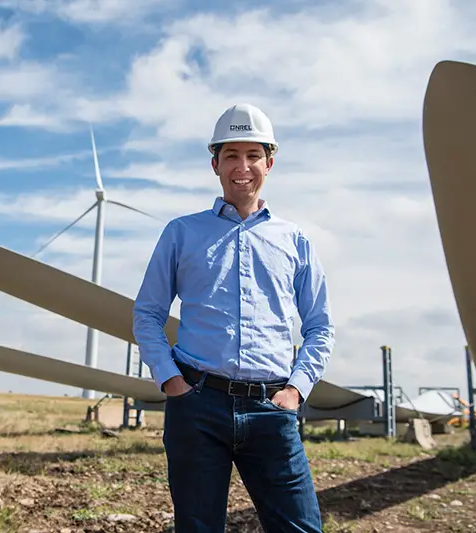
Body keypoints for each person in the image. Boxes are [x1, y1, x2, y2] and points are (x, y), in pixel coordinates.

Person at [132, 103, 335, 533]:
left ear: (269, 163)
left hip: (272, 408)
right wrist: (172, 381)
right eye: (231, 156)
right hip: (197, 406)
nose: (242, 166)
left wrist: (296, 391)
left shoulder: (295, 241)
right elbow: (148, 313)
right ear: (215, 164)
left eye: (252, 155)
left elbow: (320, 326)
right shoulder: (181, 233)